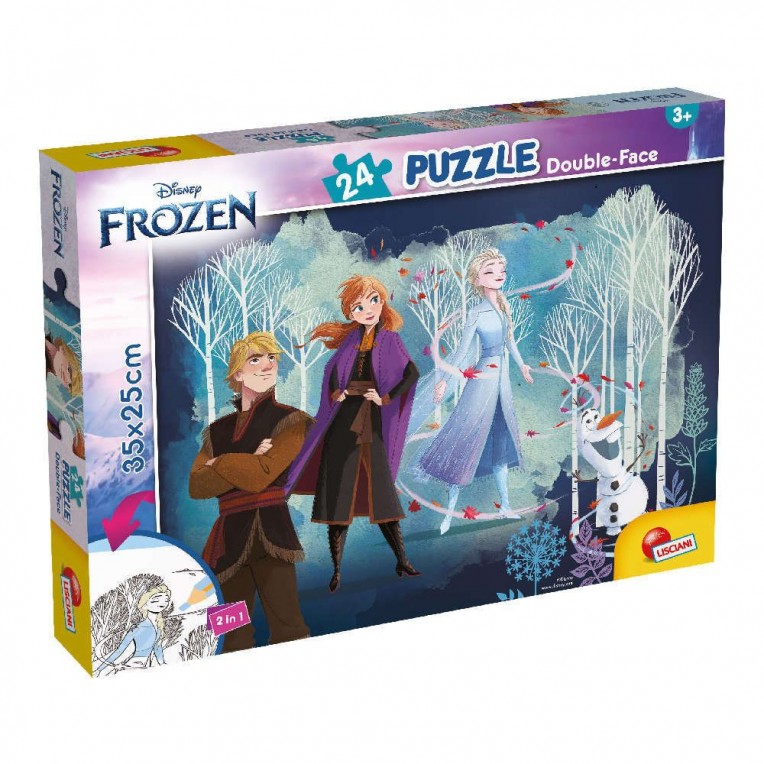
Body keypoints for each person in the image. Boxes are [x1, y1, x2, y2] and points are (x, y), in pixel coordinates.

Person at [285, 275, 420, 593]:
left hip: (372, 421)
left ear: (382, 301)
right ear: (350, 312)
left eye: (373, 300)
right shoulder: (349, 342)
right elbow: (331, 373)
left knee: (381, 493)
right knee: (337, 495)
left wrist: (385, 398)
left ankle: (402, 560)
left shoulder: (390, 340)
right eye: (358, 306)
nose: (367, 309)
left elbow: (411, 373)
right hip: (343, 423)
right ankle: (336, 570)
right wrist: (337, 393)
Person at [189, 331, 311, 650]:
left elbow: (261, 476)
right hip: (226, 543)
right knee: (230, 635)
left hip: (272, 537)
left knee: (289, 629)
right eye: (255, 359)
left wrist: (219, 462)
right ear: (238, 373)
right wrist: (250, 458)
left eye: (271, 358)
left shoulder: (292, 420)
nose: (267, 365)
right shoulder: (217, 430)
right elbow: (197, 486)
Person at [416, 247, 534, 533]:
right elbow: (461, 351)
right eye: (490, 271)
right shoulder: (476, 312)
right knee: (465, 439)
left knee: (501, 441)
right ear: (477, 279)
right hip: (482, 381)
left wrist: (522, 365)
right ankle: (448, 513)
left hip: (502, 382)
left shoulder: (503, 307)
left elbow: (510, 342)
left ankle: (505, 506)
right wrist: (445, 380)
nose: (498, 275)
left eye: (500, 270)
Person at [95, 584, 170, 675]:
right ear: (145, 605)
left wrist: (162, 664)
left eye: (166, 600)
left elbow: (157, 648)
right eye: (155, 600)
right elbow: (119, 650)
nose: (162, 603)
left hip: (145, 666)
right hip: (134, 666)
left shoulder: (159, 626)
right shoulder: (138, 628)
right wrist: (99, 669)